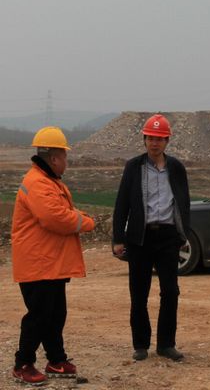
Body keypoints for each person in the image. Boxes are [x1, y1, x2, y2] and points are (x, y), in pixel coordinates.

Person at [11, 127, 95, 386]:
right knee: (39, 316)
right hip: (39, 263)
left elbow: (59, 211)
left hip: (49, 263)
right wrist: (86, 221)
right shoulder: (38, 183)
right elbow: (55, 218)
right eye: (65, 156)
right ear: (55, 159)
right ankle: (23, 364)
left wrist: (77, 216)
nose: (67, 161)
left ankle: (56, 360)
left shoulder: (47, 181)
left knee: (55, 315)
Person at [113, 115, 190, 362]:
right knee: (139, 293)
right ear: (144, 140)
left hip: (168, 236)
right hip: (140, 237)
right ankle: (141, 344)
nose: (154, 143)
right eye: (150, 138)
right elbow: (122, 203)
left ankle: (166, 344)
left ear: (167, 141)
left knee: (170, 291)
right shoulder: (133, 167)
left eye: (159, 139)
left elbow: (184, 202)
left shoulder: (176, 168)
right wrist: (118, 238)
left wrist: (183, 234)